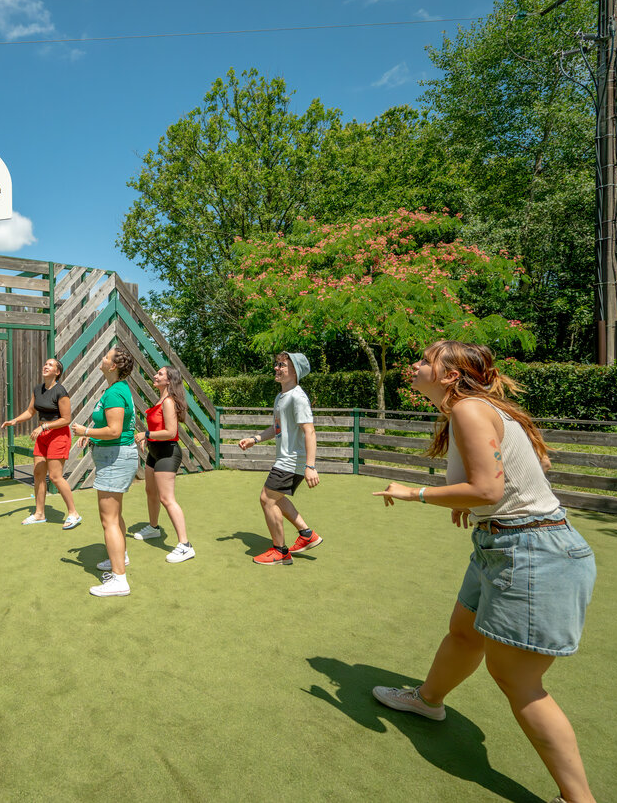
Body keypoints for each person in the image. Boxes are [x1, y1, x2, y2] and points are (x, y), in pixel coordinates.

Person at [370, 340, 597, 803]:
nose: (414, 365)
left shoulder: (470, 410)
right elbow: (515, 475)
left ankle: (579, 800)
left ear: (450, 376)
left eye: (425, 360)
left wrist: (417, 493)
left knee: (518, 681)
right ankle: (428, 701)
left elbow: (489, 488)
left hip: (531, 551)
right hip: (504, 543)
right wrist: (465, 502)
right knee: (464, 631)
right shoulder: (475, 409)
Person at [237, 351, 321, 565]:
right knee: (277, 498)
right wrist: (254, 439)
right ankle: (306, 534)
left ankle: (280, 551)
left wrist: (310, 466)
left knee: (267, 499)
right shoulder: (281, 397)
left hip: (293, 461)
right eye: (277, 364)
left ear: (294, 371)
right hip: (286, 459)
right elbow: (277, 428)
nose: (276, 368)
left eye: (282, 365)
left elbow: (309, 431)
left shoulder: (298, 397)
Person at [71, 347, 138, 597]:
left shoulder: (115, 392)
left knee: (108, 519)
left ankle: (119, 580)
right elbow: (108, 428)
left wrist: (85, 432)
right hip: (114, 456)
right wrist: (92, 438)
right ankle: (120, 558)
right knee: (115, 515)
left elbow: (114, 431)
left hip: (115, 458)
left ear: (113, 366)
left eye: (106, 357)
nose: (102, 358)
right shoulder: (115, 390)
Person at [0, 357, 83, 529]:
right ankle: (39, 514)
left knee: (55, 476)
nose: (46, 366)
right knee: (38, 474)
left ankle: (73, 513)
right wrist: (15, 420)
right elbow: (31, 411)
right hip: (43, 436)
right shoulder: (38, 389)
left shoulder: (61, 392)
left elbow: (66, 419)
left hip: (58, 436)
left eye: (50, 365)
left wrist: (44, 426)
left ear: (57, 372)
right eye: (45, 363)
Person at [133, 365, 194, 563]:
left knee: (167, 499)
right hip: (155, 451)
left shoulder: (168, 402)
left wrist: (146, 434)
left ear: (169, 380)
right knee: (151, 492)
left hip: (168, 452)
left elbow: (170, 432)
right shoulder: (161, 399)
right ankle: (153, 528)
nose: (155, 375)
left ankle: (185, 545)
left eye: (160, 374)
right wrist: (147, 440)